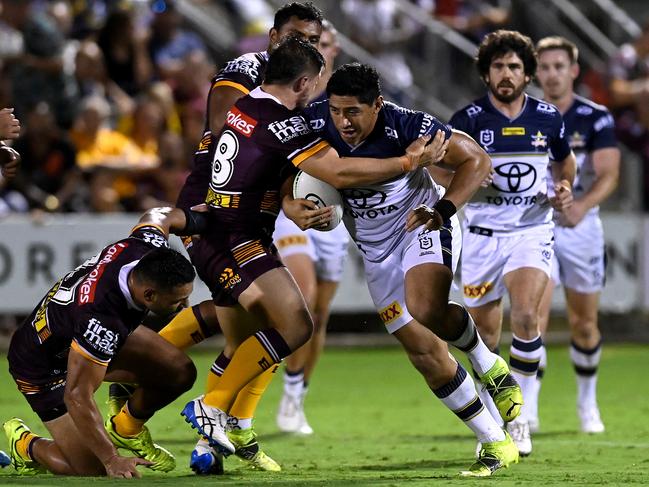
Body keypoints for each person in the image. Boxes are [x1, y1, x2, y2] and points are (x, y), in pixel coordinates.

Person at [178, 35, 445, 465]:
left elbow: (273, 168)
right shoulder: (284, 121)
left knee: (258, 330)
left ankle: (219, 431)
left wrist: (287, 202)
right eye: (319, 82)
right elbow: (336, 172)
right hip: (233, 236)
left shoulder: (247, 104)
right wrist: (408, 162)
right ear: (304, 83)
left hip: (228, 227)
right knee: (294, 324)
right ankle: (206, 409)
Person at [293, 62, 520, 477]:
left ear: (377, 105)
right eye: (337, 110)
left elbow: (477, 161)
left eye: (354, 112)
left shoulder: (410, 126)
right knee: (425, 354)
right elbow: (280, 175)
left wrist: (443, 208)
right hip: (375, 253)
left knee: (426, 306)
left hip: (422, 225)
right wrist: (295, 207)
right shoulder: (311, 123)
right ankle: (495, 441)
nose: (343, 121)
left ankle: (487, 363)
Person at [449, 30, 576, 456]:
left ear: (527, 74)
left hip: (531, 229)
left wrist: (564, 187)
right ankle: (491, 422)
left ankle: (521, 416)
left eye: (515, 67)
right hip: (483, 236)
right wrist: (463, 179)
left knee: (526, 316)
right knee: (484, 335)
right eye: (499, 66)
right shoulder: (467, 121)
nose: (507, 74)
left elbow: (566, 161)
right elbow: (436, 169)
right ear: (486, 72)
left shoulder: (547, 116)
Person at [3, 208, 199, 477]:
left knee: (179, 371)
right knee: (90, 469)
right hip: (42, 367)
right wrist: (111, 458)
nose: (182, 305)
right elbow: (77, 396)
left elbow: (159, 215)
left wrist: (204, 219)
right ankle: (28, 446)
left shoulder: (146, 247)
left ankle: (125, 428)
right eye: (176, 300)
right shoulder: (102, 320)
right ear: (149, 295)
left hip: (76, 335)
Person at [534, 36, 620, 434]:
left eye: (558, 66)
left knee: (584, 322)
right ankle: (528, 409)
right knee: (530, 317)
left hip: (582, 227)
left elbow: (608, 173)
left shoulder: (595, 117)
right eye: (544, 67)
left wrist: (582, 207)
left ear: (573, 71)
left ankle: (588, 404)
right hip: (538, 225)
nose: (551, 74)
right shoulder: (526, 114)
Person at [273, 19, 348, 436]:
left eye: (324, 43)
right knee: (303, 299)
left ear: (333, 50)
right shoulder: (291, 90)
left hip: (334, 215)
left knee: (319, 315)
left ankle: (295, 394)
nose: (318, 48)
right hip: (292, 207)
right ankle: (267, 391)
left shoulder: (347, 97)